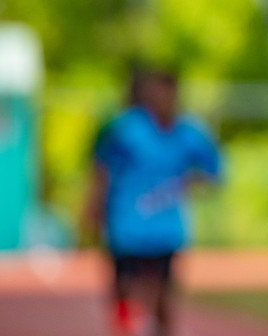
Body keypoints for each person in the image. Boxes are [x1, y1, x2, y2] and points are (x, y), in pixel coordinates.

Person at [83, 67, 222, 336]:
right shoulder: (126, 129)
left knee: (164, 298)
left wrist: (190, 182)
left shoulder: (189, 133)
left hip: (166, 229)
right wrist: (94, 205)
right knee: (123, 291)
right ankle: (123, 328)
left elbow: (214, 171)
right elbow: (101, 167)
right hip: (126, 226)